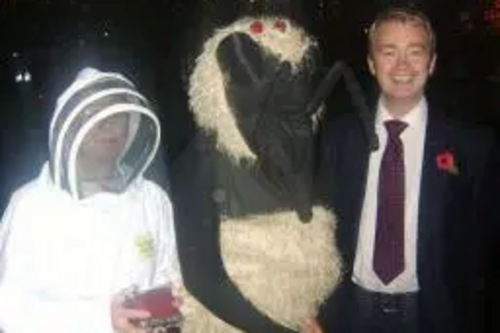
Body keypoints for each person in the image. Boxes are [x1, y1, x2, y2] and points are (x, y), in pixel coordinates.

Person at [318, 6, 496, 333]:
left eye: (415, 52)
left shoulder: (471, 146)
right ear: (371, 64)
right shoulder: (338, 139)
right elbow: (319, 230)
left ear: (432, 63)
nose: (402, 65)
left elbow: (484, 244)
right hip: (350, 311)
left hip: (435, 314)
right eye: (388, 52)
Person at [0, 67, 181, 333]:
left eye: (116, 113)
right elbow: (8, 307)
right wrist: (101, 318)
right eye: (91, 113)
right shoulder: (31, 205)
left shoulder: (153, 199)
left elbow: (169, 276)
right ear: (68, 127)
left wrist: (165, 312)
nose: (107, 124)